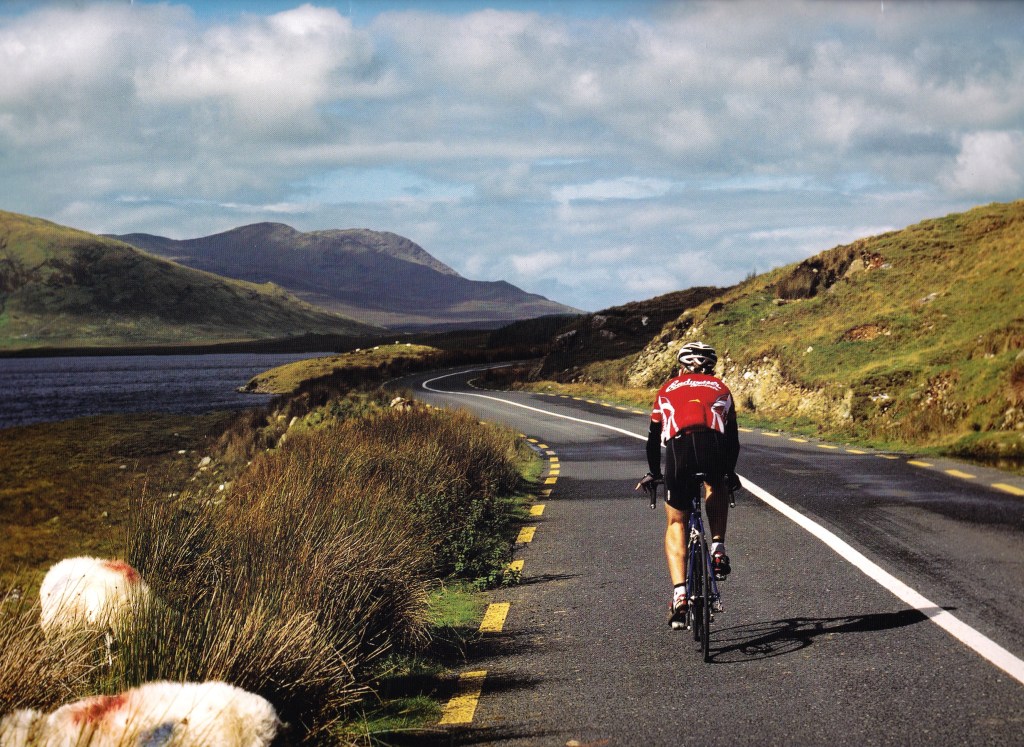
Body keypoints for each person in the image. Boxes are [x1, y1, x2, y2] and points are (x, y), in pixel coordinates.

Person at [636, 341, 740, 630]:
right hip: (712, 446)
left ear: (681, 367)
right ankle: (717, 548)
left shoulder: (667, 389)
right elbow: (732, 440)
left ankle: (680, 593)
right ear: (711, 368)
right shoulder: (721, 387)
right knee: (715, 485)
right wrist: (729, 473)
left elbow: (652, 438)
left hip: (679, 450)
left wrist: (654, 473)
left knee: (676, 522)